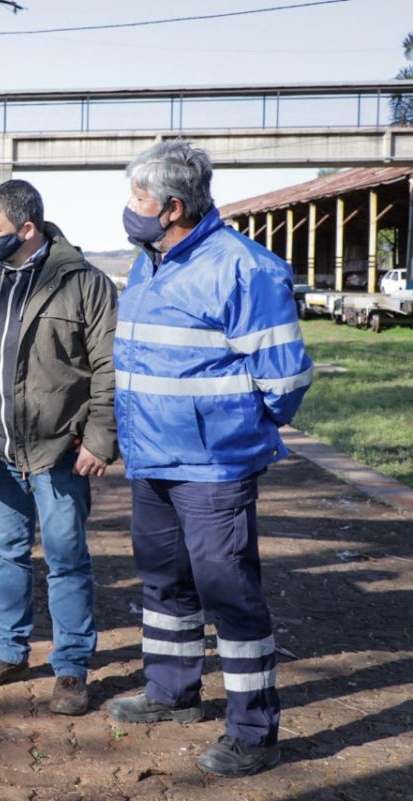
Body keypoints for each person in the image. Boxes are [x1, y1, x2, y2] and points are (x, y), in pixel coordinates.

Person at [108, 140, 313, 777]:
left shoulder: (243, 269)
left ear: (172, 207)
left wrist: (235, 434)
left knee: (230, 595)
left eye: (138, 198)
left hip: (214, 467)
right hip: (154, 461)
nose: (129, 208)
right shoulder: (150, 262)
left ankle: (254, 731)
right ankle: (172, 692)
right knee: (164, 581)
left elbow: (285, 379)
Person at [0, 179, 118, 715]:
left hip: (59, 451)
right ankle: (9, 650)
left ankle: (70, 667)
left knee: (66, 561)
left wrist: (99, 439)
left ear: (27, 229)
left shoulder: (84, 283)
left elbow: (111, 368)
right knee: (6, 555)